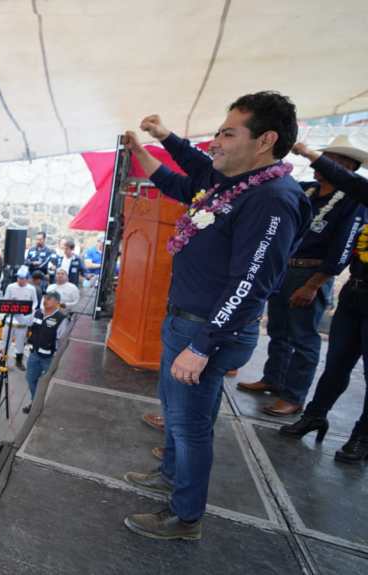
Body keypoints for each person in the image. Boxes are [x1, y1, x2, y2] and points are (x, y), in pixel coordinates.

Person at [120, 92, 309, 540]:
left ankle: (185, 517)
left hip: (207, 332)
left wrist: (202, 345)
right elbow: (186, 174)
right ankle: (170, 474)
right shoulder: (232, 182)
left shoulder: (271, 199)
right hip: (185, 321)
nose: (215, 143)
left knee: (190, 426)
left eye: (227, 133)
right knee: (175, 411)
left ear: (265, 140)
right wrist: (153, 143)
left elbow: (252, 282)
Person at [237, 136, 366, 417]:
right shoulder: (306, 189)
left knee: (303, 337)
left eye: (330, 161)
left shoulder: (353, 200)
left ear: (346, 168)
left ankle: (293, 396)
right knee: (278, 329)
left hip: (312, 272)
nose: (320, 164)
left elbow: (344, 246)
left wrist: (314, 284)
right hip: (284, 267)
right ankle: (273, 379)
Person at [280, 139, 368, 461]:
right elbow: (351, 183)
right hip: (355, 293)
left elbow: (348, 181)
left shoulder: (353, 194)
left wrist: (309, 153)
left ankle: (362, 437)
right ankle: (315, 415)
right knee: (337, 364)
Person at [23, 292, 69, 413]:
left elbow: (62, 340)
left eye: (49, 299)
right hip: (34, 354)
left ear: (57, 302)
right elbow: (27, 323)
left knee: (48, 384)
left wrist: (57, 358)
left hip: (49, 358)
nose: (45, 300)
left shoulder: (61, 319)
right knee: (30, 379)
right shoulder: (37, 313)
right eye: (45, 298)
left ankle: (44, 406)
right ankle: (35, 403)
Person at [4, 266, 39, 371]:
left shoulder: (31, 289)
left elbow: (35, 302)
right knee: (6, 340)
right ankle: (2, 359)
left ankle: (18, 360)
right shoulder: (10, 287)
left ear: (27, 279)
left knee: (20, 341)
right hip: (11, 317)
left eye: (23, 278)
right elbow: (5, 300)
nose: (20, 280)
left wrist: (28, 311)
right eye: (19, 278)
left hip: (24, 319)